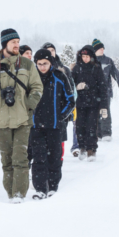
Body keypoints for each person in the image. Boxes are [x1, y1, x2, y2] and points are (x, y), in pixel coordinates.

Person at [0, 29, 43, 203]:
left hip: (23, 119)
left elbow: (37, 87)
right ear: (4, 44)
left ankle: (19, 195)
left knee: (20, 158)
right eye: (13, 42)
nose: (17, 45)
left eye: (18, 41)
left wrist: (28, 105)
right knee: (6, 160)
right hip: (2, 120)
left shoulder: (27, 65)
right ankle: (10, 193)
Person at [31, 49, 75, 199]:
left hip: (55, 127)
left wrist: (61, 116)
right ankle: (40, 189)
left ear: (51, 63)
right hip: (36, 127)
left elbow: (71, 100)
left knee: (54, 158)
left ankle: (53, 187)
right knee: (38, 158)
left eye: (45, 63)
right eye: (39, 64)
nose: (42, 67)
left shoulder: (59, 76)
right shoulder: (31, 77)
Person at [71, 45, 108, 161]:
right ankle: (82, 147)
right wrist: (77, 87)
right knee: (80, 127)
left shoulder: (97, 68)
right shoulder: (76, 68)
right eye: (83, 56)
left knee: (91, 127)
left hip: (93, 104)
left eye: (87, 56)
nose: (85, 58)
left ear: (91, 57)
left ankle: (91, 150)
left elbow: (103, 88)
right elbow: (70, 86)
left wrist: (104, 106)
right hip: (80, 103)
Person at [41, 43, 76, 154]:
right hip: (43, 111)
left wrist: (68, 110)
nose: (51, 52)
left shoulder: (64, 69)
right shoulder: (38, 70)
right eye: (48, 50)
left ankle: (58, 158)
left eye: (52, 50)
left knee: (59, 137)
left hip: (61, 109)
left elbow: (71, 90)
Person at [92, 38, 119, 142]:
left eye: (103, 48)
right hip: (93, 93)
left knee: (105, 112)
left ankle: (106, 133)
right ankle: (97, 134)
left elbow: (116, 74)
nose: (102, 50)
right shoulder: (90, 61)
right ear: (95, 50)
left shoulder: (108, 61)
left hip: (106, 92)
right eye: (99, 48)